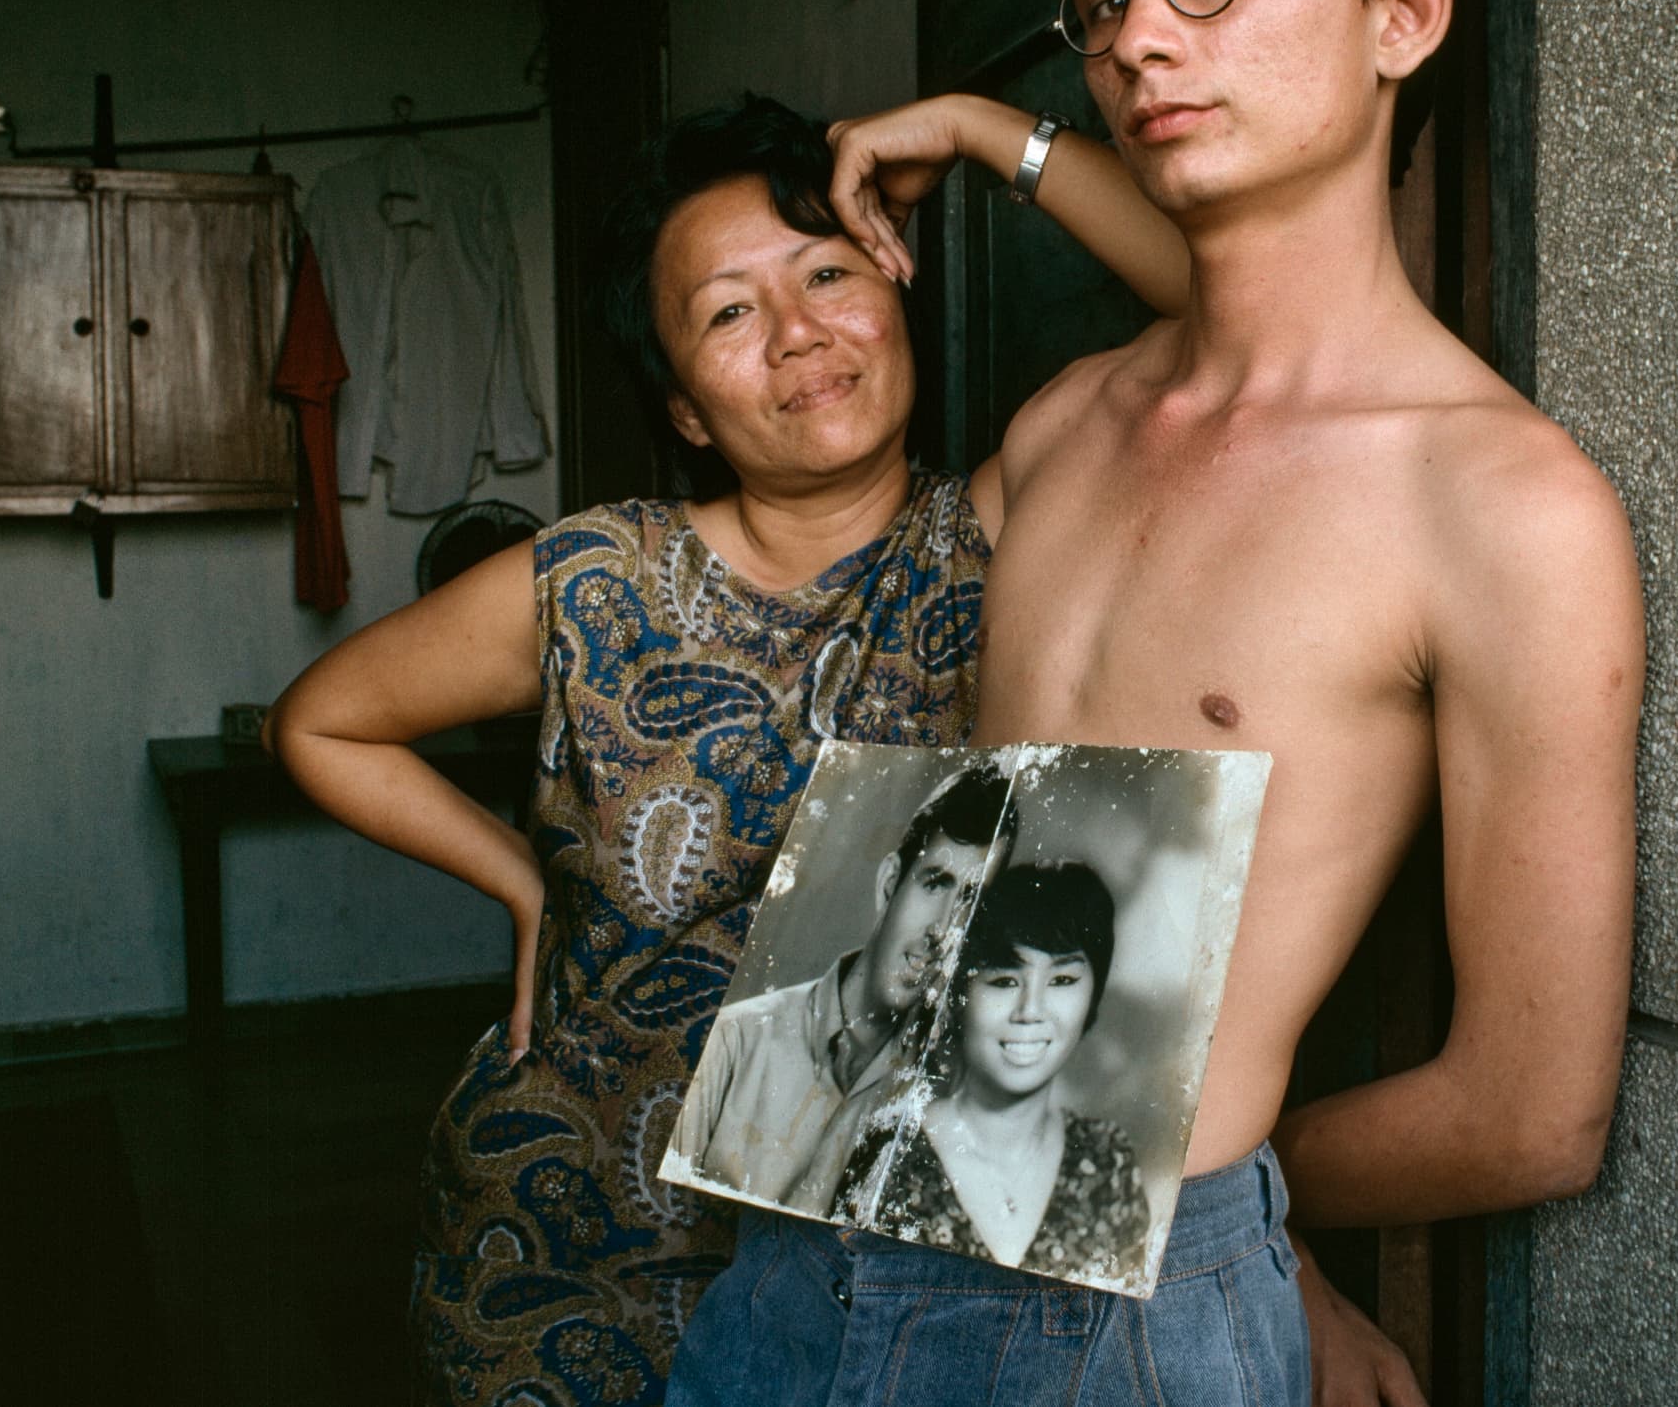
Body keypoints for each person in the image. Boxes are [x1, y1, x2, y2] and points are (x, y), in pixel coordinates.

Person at [669, 0, 1644, 1405]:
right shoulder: (1064, 426)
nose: (1135, 34)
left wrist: (1241, 1233)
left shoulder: (1497, 507)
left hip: (1098, 1326)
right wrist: (986, 129)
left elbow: (1530, 1107)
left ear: (1403, 10)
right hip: (800, 1240)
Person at [264, 94, 1185, 1407]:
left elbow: (1230, 303)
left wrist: (984, 134)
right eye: (728, 313)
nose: (798, 332)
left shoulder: (997, 534)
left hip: (863, 1261)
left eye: (828, 274)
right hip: (565, 1229)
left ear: (896, 284)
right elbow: (322, 719)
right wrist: (520, 882)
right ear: (687, 409)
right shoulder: (596, 578)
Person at [667, 761, 1016, 1202]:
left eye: (969, 902)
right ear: (889, 884)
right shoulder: (734, 1041)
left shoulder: (946, 1095)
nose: (942, 928)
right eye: (935, 884)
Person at [822, 861, 1150, 1283]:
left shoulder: (1108, 1162)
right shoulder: (887, 1152)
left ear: (1094, 995)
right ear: (960, 994)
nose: (1030, 1011)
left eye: (1063, 980)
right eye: (1004, 981)